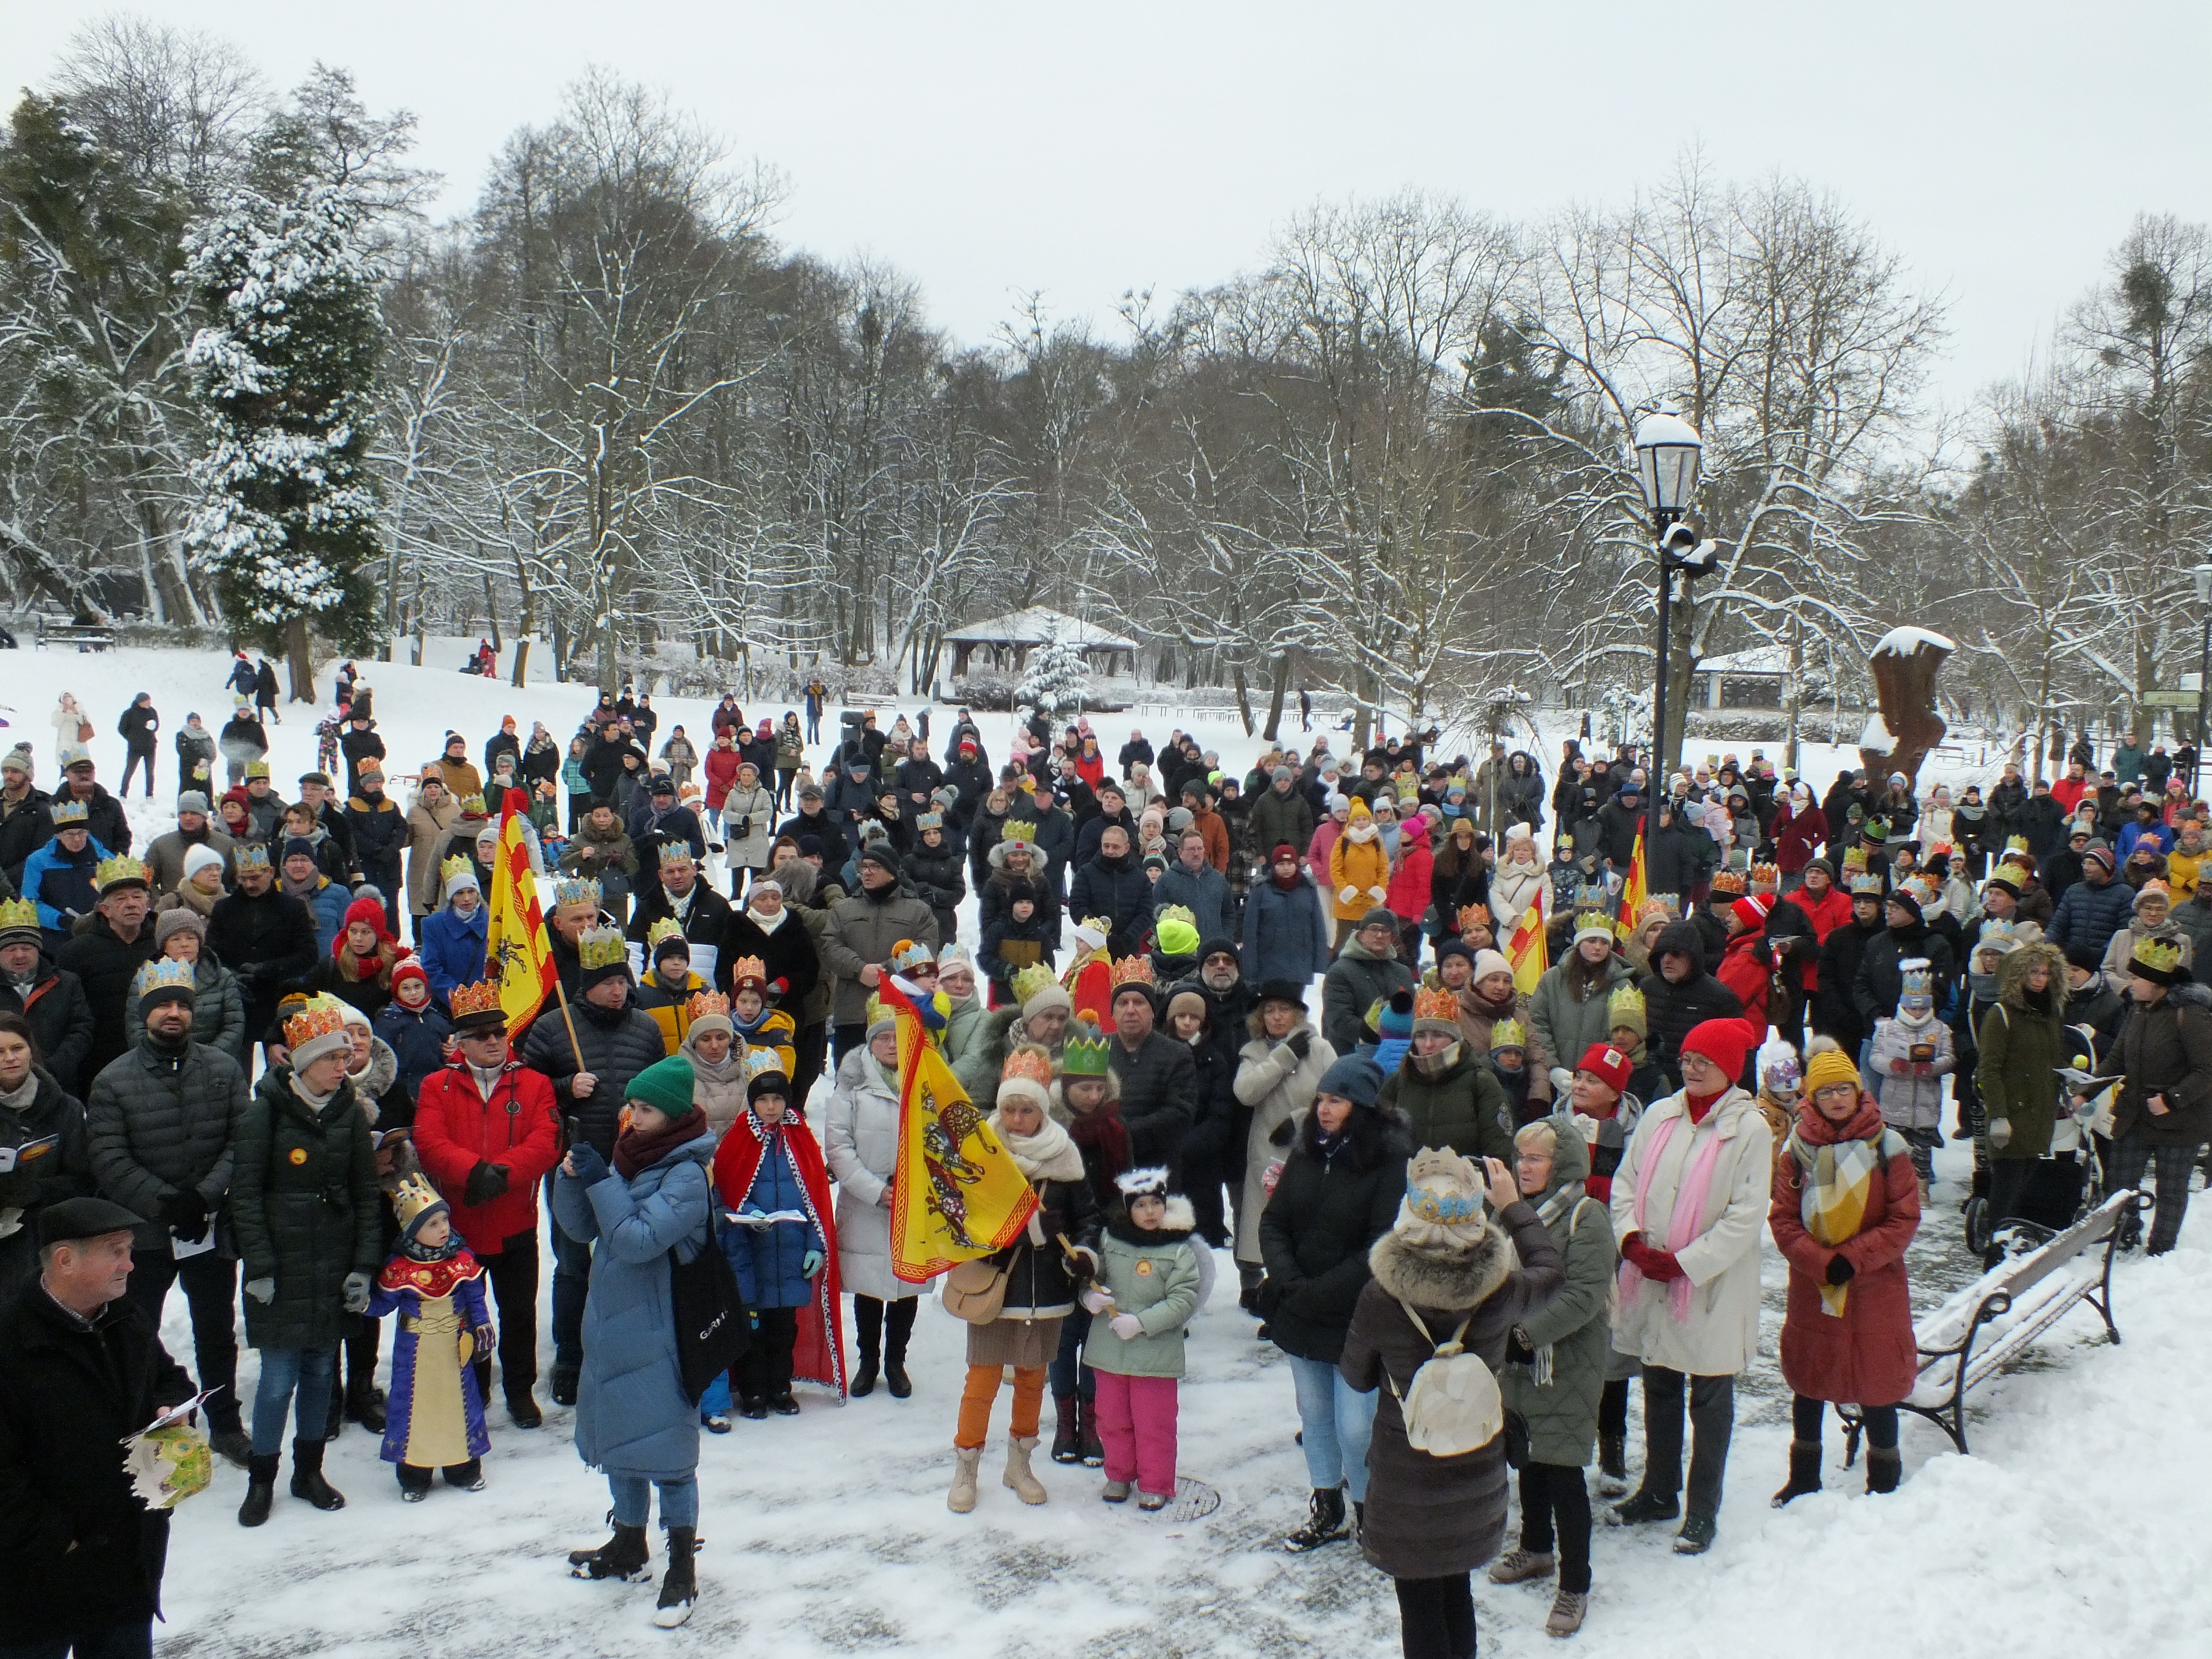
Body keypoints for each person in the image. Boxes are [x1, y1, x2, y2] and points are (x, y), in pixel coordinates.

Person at [1340, 1148, 1564, 1659]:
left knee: (1418, 1602)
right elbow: (1551, 1272)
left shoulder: (1381, 1297)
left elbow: (1355, 1377)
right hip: (1475, 1467)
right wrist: (1512, 1206)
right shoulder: (1501, 1287)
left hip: (1406, 1476)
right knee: (1457, 1592)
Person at [0, 1194, 197, 1659]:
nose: (130, 1265)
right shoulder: (10, 1344)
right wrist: (60, 1542)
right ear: (66, 1260)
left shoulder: (125, 1318)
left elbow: (165, 1376)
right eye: (116, 1251)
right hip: (38, 1577)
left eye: (129, 1250)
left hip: (127, 1564)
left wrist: (172, 1406)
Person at [556, 1054, 714, 1629]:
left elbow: (638, 1240)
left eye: (645, 1109)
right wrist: (571, 1177)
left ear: (670, 1116)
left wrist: (601, 1182)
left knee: (669, 1454)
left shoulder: (687, 1174)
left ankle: (681, 1566)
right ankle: (628, 1545)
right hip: (615, 1324)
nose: (633, 1116)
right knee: (621, 1436)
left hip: (662, 1330)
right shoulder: (630, 1156)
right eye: (632, 1106)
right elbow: (580, 1230)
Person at [1609, 1016, 1773, 1554]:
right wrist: (1631, 1240)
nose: (1692, 1069)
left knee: (1709, 1392)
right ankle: (1660, 1489)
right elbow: (1626, 1183)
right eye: (1687, 1060)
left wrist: (1686, 1262)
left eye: (1705, 1061)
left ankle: (1703, 1508)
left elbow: (1746, 1216)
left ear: (1729, 1068)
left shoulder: (1749, 1129)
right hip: (1652, 1271)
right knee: (1657, 1381)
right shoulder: (1660, 1114)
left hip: (1709, 1284)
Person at [85, 959, 254, 1466]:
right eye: (163, 1006)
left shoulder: (224, 1069)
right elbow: (109, 1158)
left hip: (208, 1227)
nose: (174, 1013)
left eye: (182, 1004)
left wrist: (202, 1198)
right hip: (143, 1236)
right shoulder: (113, 1081)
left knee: (216, 1332)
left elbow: (241, 1140)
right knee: (139, 1334)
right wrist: (166, 1202)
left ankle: (225, 1422)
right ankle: (151, 1427)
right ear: (145, 1015)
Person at [229, 994, 381, 1526]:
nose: (344, 1067)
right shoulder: (263, 1113)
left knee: (322, 1372)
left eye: (346, 1058)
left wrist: (364, 1266)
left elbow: (366, 1193)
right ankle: (262, 1478)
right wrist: (262, 1267)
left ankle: (308, 1470)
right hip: (285, 1267)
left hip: (334, 1262)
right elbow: (244, 1195)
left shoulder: (348, 1114)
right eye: (333, 1059)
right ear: (303, 1064)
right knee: (277, 1380)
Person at [1259, 1052, 1409, 1551]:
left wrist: (1315, 1291)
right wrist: (1288, 1277)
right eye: (1322, 1098)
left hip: (1355, 1317)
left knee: (1355, 1426)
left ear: (1362, 1106)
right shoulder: (1306, 1151)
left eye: (1337, 1100)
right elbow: (1274, 1221)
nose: (1323, 1109)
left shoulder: (1388, 1163)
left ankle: (1371, 1511)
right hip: (1300, 1311)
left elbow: (1379, 1245)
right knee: (1315, 1415)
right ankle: (1327, 1508)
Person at [521, 924, 669, 1406]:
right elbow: (526, 1097)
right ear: (588, 983)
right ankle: (570, 1357)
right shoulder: (551, 1028)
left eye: (624, 981)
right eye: (609, 982)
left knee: (629, 1257)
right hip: (573, 1166)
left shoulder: (645, 1029)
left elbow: (663, 1091)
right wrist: (566, 1088)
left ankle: (625, 1347)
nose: (619, 990)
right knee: (573, 1263)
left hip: (632, 1166)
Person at [1768, 1043, 1920, 1506]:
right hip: (1816, 1286)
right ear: (1811, 1098)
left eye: (1845, 1090)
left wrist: (1851, 1258)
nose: (1837, 1099)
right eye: (1826, 1091)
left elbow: (1903, 1220)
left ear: (1859, 1092)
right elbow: (1784, 1220)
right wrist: (1821, 1262)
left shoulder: (1888, 1148)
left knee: (1877, 1381)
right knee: (1811, 1377)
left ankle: (1884, 1477)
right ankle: (1804, 1476)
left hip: (1875, 1286)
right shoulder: (1797, 1152)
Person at [413, 979, 560, 1429]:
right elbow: (429, 1141)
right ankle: (473, 1386)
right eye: (481, 1035)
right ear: (460, 1042)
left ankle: (519, 1391)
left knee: (518, 1315)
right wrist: (474, 1172)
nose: (493, 1041)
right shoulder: (436, 1086)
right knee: (465, 1317)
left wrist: (501, 1176)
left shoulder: (534, 1084)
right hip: (459, 1230)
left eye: (499, 1032)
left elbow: (547, 1141)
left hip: (515, 1221)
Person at [710, 1056, 840, 1421]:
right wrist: (749, 1211)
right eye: (763, 1101)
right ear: (753, 1103)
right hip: (753, 1255)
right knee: (753, 1329)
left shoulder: (800, 1138)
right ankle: (752, 1390)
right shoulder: (739, 1137)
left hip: (792, 1256)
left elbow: (816, 1200)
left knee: (784, 1330)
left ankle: (780, 1389)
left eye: (778, 1100)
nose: (771, 1107)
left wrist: (816, 1245)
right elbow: (729, 1187)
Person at [363, 1174, 496, 1500]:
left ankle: (462, 1468)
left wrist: (481, 1326)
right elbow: (384, 1305)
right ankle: (415, 1474)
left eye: (444, 1220)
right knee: (415, 1411)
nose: (443, 1229)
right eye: (433, 1223)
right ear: (412, 1231)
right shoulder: (399, 1267)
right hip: (416, 1356)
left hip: (454, 1350)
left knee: (458, 1407)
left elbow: (475, 1298)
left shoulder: (461, 1260)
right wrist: (363, 1303)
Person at [1082, 1165, 1202, 1510]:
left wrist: (1143, 1322)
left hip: (1155, 1353)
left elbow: (1183, 1299)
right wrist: (1089, 1297)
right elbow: (1093, 1277)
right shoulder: (1110, 1240)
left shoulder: (1179, 1250)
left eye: (1155, 1204)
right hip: (1110, 1350)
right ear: (1127, 1208)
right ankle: (1119, 1473)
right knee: (1112, 1416)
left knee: (1154, 1421)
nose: (1149, 1212)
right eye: (1140, 1205)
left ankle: (1155, 1481)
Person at [2098, 935, 2212, 1256]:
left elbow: (2206, 1070)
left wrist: (2171, 1100)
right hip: (2135, 1112)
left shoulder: (2188, 1014)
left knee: (2171, 1190)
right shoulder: (2137, 1010)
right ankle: (2125, 1235)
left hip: (2181, 1120)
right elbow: (2116, 1058)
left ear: (2157, 982)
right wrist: (2084, 1089)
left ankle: (2160, 1251)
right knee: (2120, 1184)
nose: (2131, 983)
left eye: (2137, 977)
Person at [821, 844, 938, 1062]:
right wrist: (859, 969)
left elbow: (926, 949)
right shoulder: (844, 909)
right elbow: (829, 946)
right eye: (864, 867)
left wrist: (885, 971)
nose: (867, 872)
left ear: (892, 871)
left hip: (901, 1012)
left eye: (875, 866)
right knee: (850, 1080)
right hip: (853, 1013)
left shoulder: (918, 910)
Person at [0, 898, 95, 1094]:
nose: (19, 955)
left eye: (26, 948)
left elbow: (82, 1029)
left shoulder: (67, 983)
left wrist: (53, 1068)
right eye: (11, 949)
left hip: (60, 1086)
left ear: (38, 950)